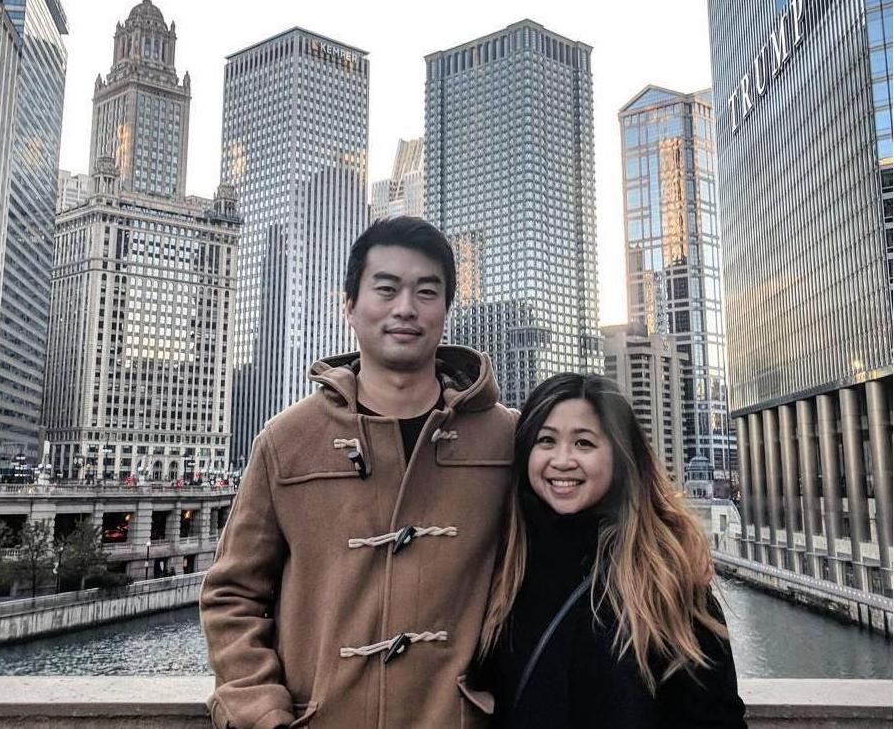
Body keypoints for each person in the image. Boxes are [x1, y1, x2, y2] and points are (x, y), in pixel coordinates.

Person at [201, 217, 514, 729]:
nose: (406, 308)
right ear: (349, 305)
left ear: (445, 309)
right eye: (386, 289)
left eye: (426, 292)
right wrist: (259, 710)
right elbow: (232, 593)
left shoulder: (506, 438)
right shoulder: (287, 440)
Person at [480, 372, 748, 728]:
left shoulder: (663, 575)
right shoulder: (501, 563)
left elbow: (713, 714)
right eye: (546, 441)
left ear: (620, 455)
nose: (562, 460)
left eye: (584, 443)